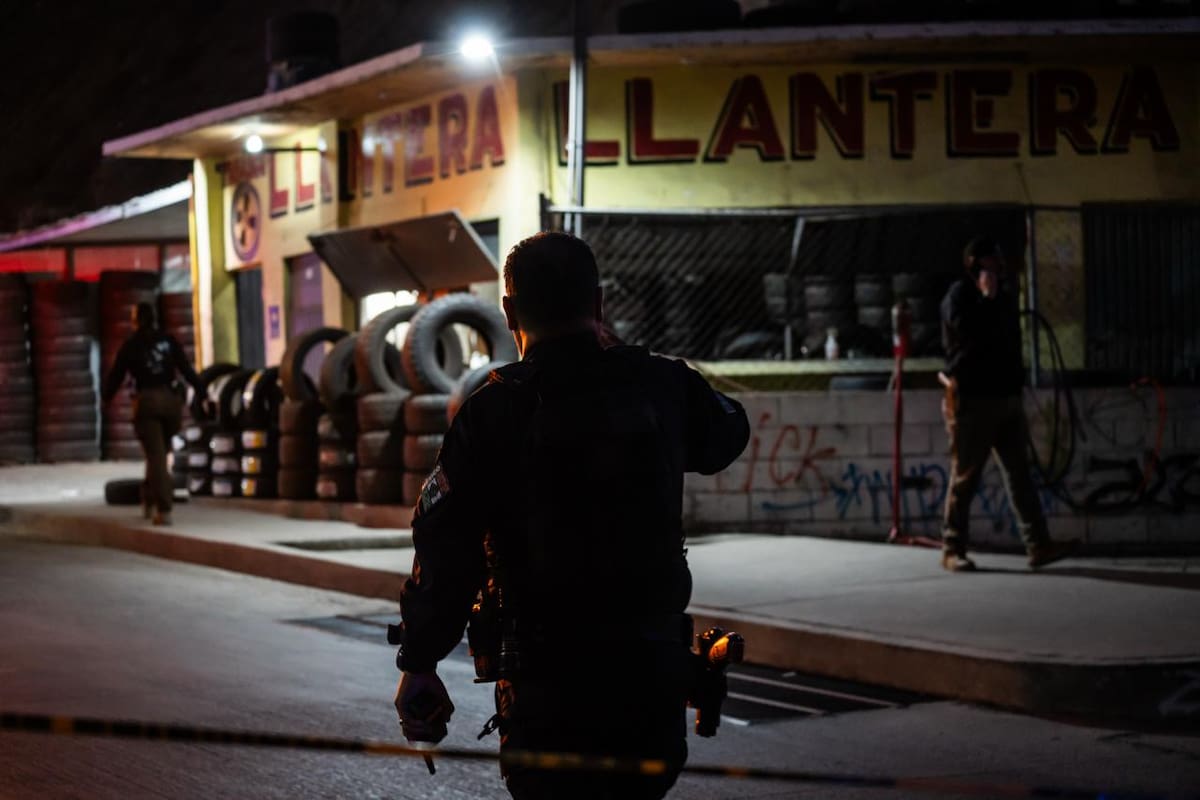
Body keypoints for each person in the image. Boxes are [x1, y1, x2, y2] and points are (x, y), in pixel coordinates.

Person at [392, 231, 750, 799]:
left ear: (508, 311)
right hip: (649, 685)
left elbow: (446, 548)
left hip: (548, 694)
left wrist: (420, 660)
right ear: (600, 304)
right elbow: (729, 433)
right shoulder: (662, 386)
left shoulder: (492, 410)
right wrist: (630, 366)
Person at [938, 236, 1078, 572]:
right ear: (976, 265)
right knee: (966, 476)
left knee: (1019, 475)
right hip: (974, 401)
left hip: (1005, 399)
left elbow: (1008, 342)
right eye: (990, 261)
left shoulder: (1002, 297)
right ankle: (951, 547)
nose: (997, 267)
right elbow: (968, 341)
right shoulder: (960, 296)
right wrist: (987, 300)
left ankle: (1038, 545)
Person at [102, 301, 200, 526]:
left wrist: (106, 399)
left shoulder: (131, 345)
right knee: (158, 453)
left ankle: (163, 509)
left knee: (156, 456)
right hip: (171, 402)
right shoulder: (169, 341)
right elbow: (187, 370)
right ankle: (148, 500)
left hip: (147, 403)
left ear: (135, 321)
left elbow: (116, 376)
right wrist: (202, 391)